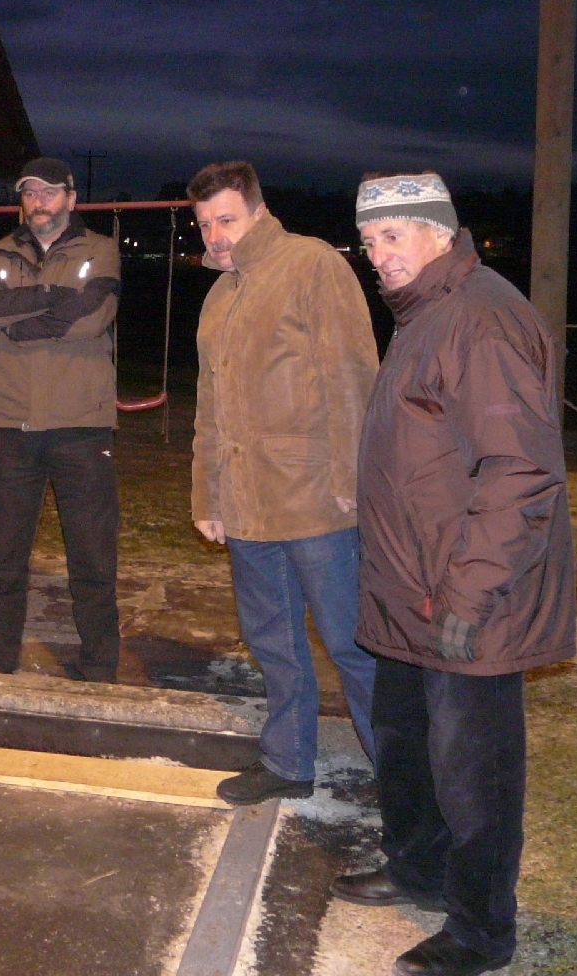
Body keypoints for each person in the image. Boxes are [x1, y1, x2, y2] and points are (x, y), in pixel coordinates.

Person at [339, 173, 575, 976]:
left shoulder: (481, 318)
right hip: (411, 590)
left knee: (475, 774)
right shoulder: (426, 314)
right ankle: (418, 870)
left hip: (468, 597)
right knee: (407, 744)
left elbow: (520, 471)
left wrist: (469, 593)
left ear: (440, 233)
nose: (379, 255)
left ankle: (479, 931)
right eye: (369, 241)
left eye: (393, 236)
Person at [188, 160, 381, 806]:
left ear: (259, 211)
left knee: (354, 645)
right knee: (274, 643)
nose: (216, 235)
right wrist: (208, 495)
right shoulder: (220, 296)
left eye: (226, 220)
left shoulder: (311, 265)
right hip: (247, 504)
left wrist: (352, 476)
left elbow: (352, 375)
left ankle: (403, 778)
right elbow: (209, 405)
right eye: (205, 224)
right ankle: (288, 760)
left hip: (315, 500)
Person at [0, 157, 122, 682]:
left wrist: (14, 322)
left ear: (71, 199)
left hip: (82, 425)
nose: (39, 202)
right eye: (30, 193)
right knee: (4, 556)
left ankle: (99, 663)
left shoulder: (99, 250)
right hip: (12, 425)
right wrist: (51, 296)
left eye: (50, 192)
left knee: (92, 555)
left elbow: (91, 316)